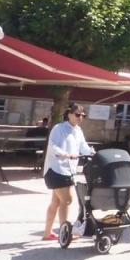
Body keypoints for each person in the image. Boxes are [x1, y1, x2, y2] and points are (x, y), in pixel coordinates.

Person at [41, 103, 95, 241]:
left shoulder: (78, 131)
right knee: (67, 200)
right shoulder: (59, 128)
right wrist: (65, 154)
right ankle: (65, 233)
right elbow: (52, 145)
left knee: (56, 202)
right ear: (69, 114)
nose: (80, 117)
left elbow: (83, 147)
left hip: (68, 171)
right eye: (77, 114)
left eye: (83, 115)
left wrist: (92, 153)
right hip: (55, 169)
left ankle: (47, 233)